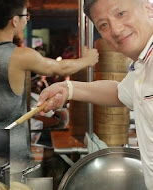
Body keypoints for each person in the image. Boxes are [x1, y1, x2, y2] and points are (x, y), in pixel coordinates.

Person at [0, 0, 98, 186]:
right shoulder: (22, 56)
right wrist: (88, 60)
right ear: (14, 21)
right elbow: (59, 67)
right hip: (14, 149)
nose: (27, 20)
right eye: (26, 16)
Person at [37, 0, 153, 189]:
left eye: (121, 13)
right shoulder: (142, 66)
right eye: (103, 25)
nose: (115, 29)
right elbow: (119, 92)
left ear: (148, 8)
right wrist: (69, 89)